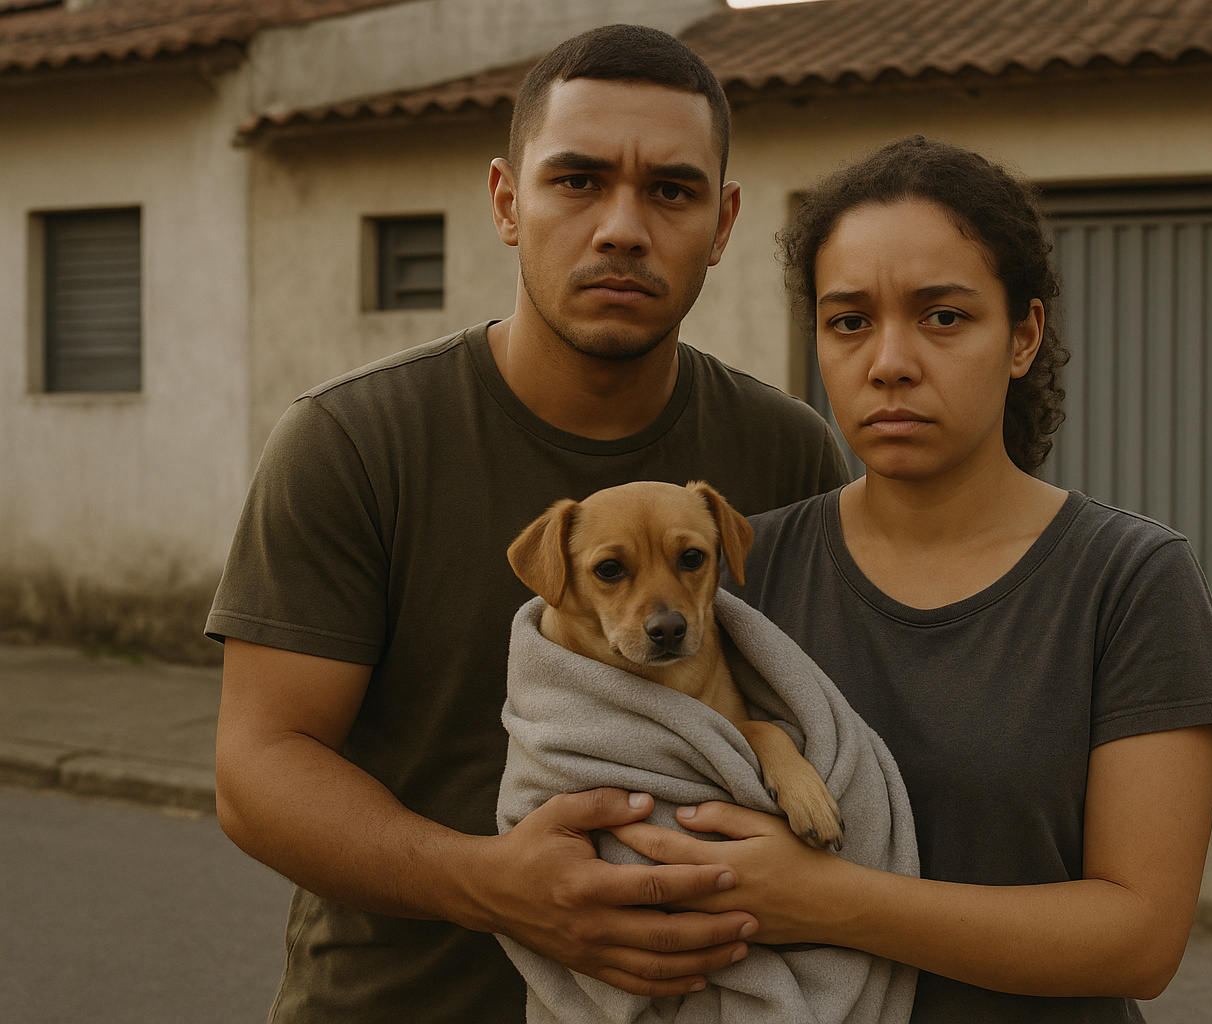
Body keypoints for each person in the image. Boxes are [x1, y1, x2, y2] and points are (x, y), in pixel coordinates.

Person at [207, 25, 847, 1023]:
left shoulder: (790, 453)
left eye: (671, 191)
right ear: (509, 201)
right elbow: (257, 771)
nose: (623, 227)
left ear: (722, 225)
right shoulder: (352, 441)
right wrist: (491, 881)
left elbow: (827, 722)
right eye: (578, 180)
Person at [607, 135, 1212, 1024]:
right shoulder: (741, 571)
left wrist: (826, 897)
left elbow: (1138, 938)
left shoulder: (1129, 580)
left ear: (1023, 337)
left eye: (943, 317)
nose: (889, 362)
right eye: (849, 320)